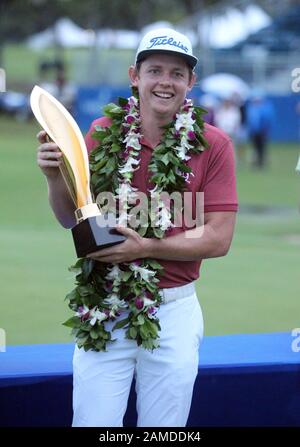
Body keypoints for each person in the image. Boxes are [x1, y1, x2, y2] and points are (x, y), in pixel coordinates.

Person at [36, 28, 238, 427]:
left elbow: (219, 237)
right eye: (155, 70)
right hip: (105, 305)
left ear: (190, 82)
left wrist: (143, 247)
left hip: (174, 310)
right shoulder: (100, 134)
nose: (166, 82)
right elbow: (68, 219)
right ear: (135, 75)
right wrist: (54, 177)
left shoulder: (214, 145)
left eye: (177, 73)